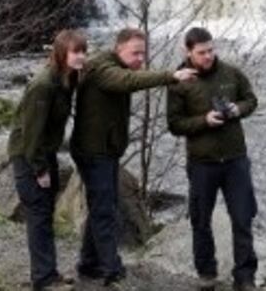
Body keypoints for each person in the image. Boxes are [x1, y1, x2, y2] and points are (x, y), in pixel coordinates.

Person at [70, 27, 197, 285]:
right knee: (105, 209)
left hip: (104, 149)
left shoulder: (113, 64)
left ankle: (88, 263)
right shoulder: (103, 68)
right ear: (119, 48)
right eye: (135, 53)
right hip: (93, 151)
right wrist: (171, 76)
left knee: (102, 205)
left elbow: (129, 79)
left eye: (143, 53)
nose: (140, 58)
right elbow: (126, 81)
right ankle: (111, 268)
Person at [166, 27, 259, 291]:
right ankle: (206, 274)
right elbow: (174, 124)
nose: (208, 56)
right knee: (200, 221)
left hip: (235, 160)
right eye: (201, 52)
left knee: (242, 218)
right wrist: (204, 121)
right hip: (202, 163)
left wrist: (237, 109)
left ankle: (245, 277)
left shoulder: (231, 73)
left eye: (210, 50)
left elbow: (251, 100)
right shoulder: (179, 81)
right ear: (187, 51)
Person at [8, 29, 88, 291]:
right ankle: (43, 279)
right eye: (76, 52)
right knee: (39, 214)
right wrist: (39, 169)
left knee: (45, 212)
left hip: (45, 151)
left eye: (83, 51)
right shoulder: (43, 85)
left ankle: (48, 273)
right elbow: (32, 133)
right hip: (28, 155)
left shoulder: (67, 77)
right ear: (62, 53)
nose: (81, 56)